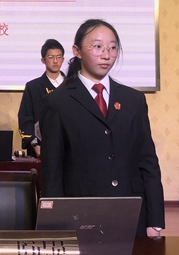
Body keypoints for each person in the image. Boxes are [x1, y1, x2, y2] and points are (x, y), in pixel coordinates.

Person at [39, 19, 165, 236]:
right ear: (77, 51)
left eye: (113, 48)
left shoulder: (133, 100)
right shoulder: (58, 102)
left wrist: (155, 221)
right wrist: (55, 224)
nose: (107, 55)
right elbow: (53, 172)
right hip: (81, 215)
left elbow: (148, 162)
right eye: (97, 47)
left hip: (132, 212)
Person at [17, 39, 65, 158]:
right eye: (50, 57)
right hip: (40, 148)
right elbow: (25, 118)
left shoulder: (73, 86)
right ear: (43, 60)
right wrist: (35, 145)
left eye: (59, 57)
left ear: (63, 59)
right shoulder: (33, 87)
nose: (55, 61)